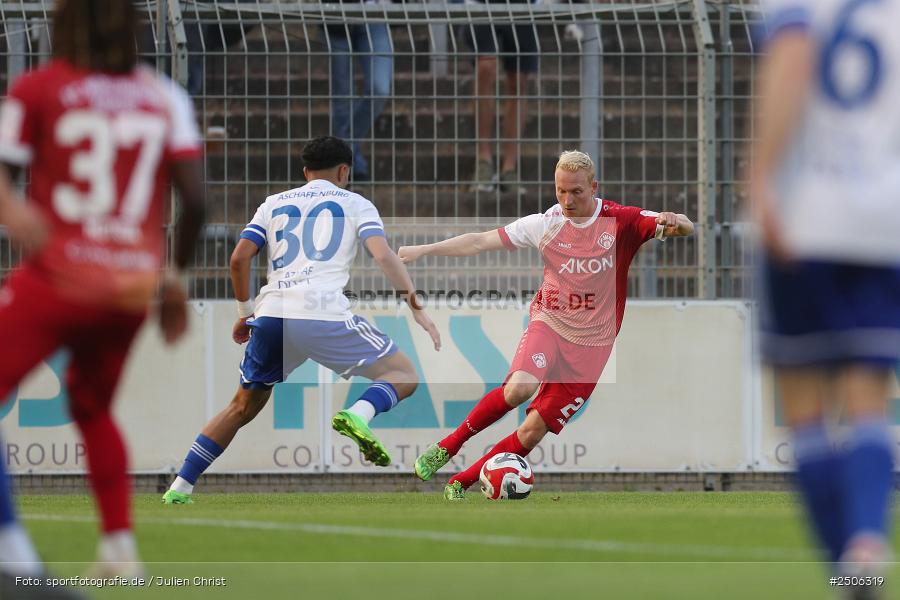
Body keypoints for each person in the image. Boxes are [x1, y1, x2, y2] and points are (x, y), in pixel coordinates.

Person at [0, 0, 205, 582]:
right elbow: (194, 200)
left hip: (59, 274)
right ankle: (120, 551)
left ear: (65, 23)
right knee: (92, 407)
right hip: (129, 288)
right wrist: (173, 281)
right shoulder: (164, 95)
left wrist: (13, 212)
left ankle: (11, 552)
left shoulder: (39, 88)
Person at [399, 150, 693, 499]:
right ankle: (447, 447)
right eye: (560, 191)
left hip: (593, 346)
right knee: (518, 390)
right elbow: (479, 241)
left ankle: (459, 483)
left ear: (593, 187)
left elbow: (686, 226)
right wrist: (424, 250)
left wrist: (676, 219)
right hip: (549, 322)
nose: (566, 200)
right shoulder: (545, 223)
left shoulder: (621, 221)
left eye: (576, 192)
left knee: (532, 432)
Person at [162, 136, 440, 504]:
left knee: (241, 406)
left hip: (273, 314)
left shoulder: (274, 204)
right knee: (404, 375)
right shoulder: (356, 204)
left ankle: (179, 488)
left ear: (305, 172)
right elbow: (383, 255)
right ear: (344, 171)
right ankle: (358, 414)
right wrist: (415, 305)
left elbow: (238, 258)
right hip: (322, 313)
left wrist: (246, 315)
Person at [748, 0, 900, 587]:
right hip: (883, 220)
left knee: (804, 404)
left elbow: (795, 53)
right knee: (868, 397)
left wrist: (761, 175)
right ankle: (866, 542)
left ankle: (848, 565)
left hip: (807, 208)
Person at [468, 5, 539, 194]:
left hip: (523, 7)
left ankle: (509, 168)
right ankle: (483, 161)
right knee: (485, 66)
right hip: (480, 5)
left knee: (519, 80)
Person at [325, 18, 393, 182]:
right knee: (342, 98)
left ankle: (340, 150)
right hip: (336, 16)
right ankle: (351, 165)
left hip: (375, 15)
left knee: (380, 89)